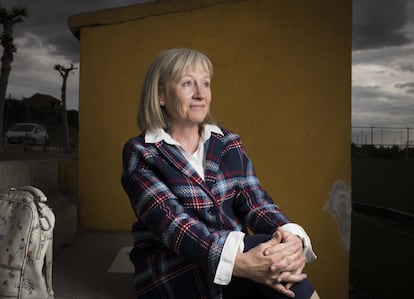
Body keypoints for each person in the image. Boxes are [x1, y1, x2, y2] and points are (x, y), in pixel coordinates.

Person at [121, 48, 320, 299]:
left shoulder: (228, 143)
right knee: (267, 255)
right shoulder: (141, 152)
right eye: (187, 84)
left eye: (205, 83)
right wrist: (240, 263)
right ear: (161, 95)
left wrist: (289, 236)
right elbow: (174, 225)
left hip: (245, 262)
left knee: (276, 258)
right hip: (175, 267)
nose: (200, 94)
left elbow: (255, 201)